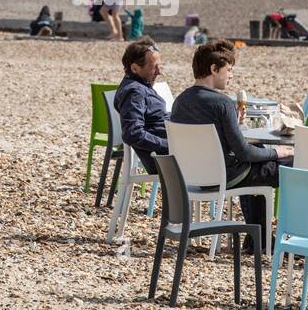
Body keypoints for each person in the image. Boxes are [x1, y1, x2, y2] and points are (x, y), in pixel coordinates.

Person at [169, 39, 292, 254]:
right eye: (229, 70)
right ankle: (291, 238)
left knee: (259, 161)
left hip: (191, 177)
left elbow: (217, 138)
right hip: (226, 176)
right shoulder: (222, 103)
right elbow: (244, 152)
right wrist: (277, 152)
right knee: (292, 164)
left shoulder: (180, 101)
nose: (231, 75)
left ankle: (258, 238)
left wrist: (236, 124)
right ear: (214, 69)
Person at [113, 38, 169, 175]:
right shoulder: (135, 92)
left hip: (171, 152)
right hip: (165, 160)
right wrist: (168, 143)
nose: (159, 72)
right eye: (154, 67)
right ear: (134, 68)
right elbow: (132, 133)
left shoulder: (141, 86)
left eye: (159, 66)